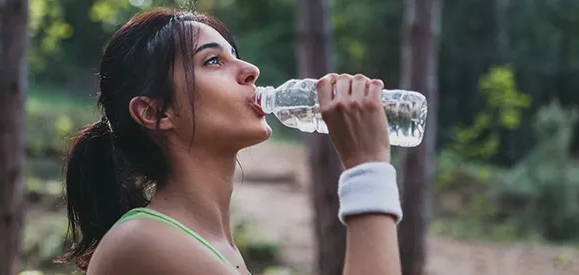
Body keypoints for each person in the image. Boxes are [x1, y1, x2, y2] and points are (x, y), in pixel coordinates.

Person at [59, 7, 405, 275]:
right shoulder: (141, 241)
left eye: (234, 54)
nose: (250, 69)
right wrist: (367, 167)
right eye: (212, 61)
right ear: (155, 113)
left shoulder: (215, 247)